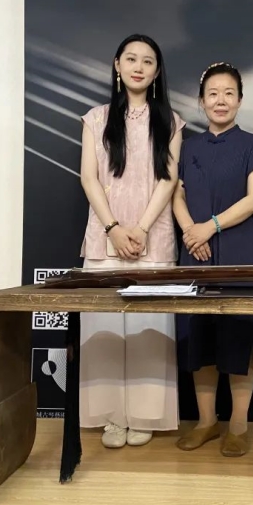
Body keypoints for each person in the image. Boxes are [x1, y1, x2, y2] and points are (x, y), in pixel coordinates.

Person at [76, 34, 185, 448]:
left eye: (148, 61)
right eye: (131, 59)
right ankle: (112, 417)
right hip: (105, 235)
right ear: (117, 65)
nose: (139, 67)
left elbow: (168, 179)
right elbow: (89, 178)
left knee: (149, 330)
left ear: (157, 72)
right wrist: (113, 228)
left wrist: (140, 228)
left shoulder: (171, 121)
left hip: (152, 236)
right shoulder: (95, 119)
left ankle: (144, 415)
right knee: (103, 329)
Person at [172, 62, 253, 457]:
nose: (221, 100)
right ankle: (206, 422)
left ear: (239, 101)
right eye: (213, 93)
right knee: (199, 339)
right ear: (201, 102)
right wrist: (190, 232)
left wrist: (209, 228)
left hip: (240, 254)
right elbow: (175, 194)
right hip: (195, 254)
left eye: (229, 93)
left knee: (239, 339)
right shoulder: (188, 147)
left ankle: (238, 426)